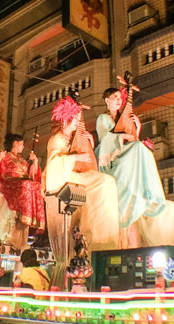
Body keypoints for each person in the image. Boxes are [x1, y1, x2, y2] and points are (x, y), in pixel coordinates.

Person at [97, 85, 174, 248]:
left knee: (143, 149)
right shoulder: (103, 119)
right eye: (115, 97)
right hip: (110, 156)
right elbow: (105, 139)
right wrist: (124, 136)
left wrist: (137, 129)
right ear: (107, 100)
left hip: (126, 152)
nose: (118, 100)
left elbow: (132, 140)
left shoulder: (123, 117)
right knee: (138, 148)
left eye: (120, 98)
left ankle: (146, 189)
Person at [44, 96, 120, 257]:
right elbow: (54, 165)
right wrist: (76, 158)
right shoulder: (56, 139)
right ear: (66, 121)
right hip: (66, 178)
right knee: (104, 182)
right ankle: (93, 236)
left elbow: (85, 156)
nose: (77, 123)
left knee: (107, 182)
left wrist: (89, 145)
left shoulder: (73, 138)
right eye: (75, 120)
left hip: (77, 174)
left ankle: (102, 237)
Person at [0, 133, 46, 252]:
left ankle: (28, 216)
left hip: (20, 182)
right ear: (15, 144)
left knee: (36, 185)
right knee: (26, 184)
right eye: (21, 144)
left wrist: (35, 162)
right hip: (9, 183)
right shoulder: (5, 156)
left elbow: (31, 174)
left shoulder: (22, 160)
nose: (22, 147)